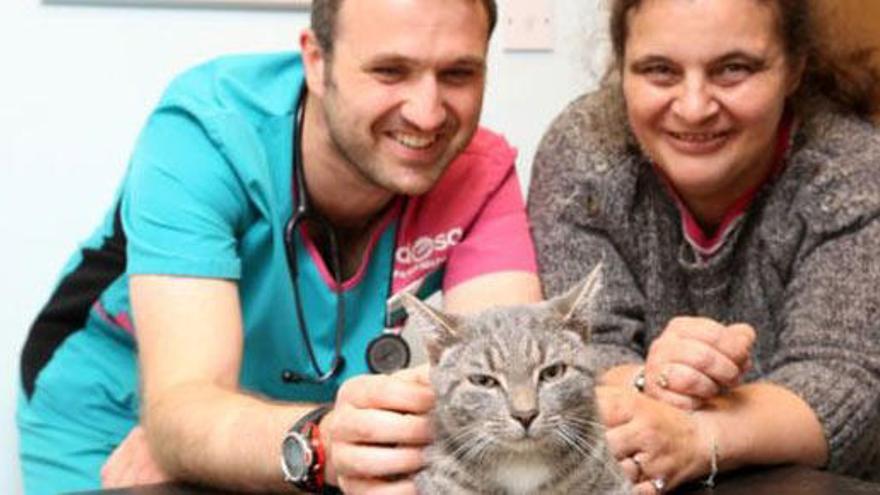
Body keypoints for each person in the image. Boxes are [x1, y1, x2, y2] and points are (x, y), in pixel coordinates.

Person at [17, 0, 543, 492]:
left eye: (458, 73)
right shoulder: (207, 132)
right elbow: (183, 407)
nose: (427, 114)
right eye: (389, 71)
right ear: (316, 61)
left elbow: (512, 384)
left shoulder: (480, 172)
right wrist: (309, 440)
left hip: (307, 416)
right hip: (113, 409)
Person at [528, 0, 880, 493]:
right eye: (659, 71)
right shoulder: (585, 153)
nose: (694, 107)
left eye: (733, 69)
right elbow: (579, 349)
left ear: (794, 68)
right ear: (623, 66)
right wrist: (651, 379)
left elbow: (846, 384)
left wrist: (697, 435)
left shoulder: (852, 170)